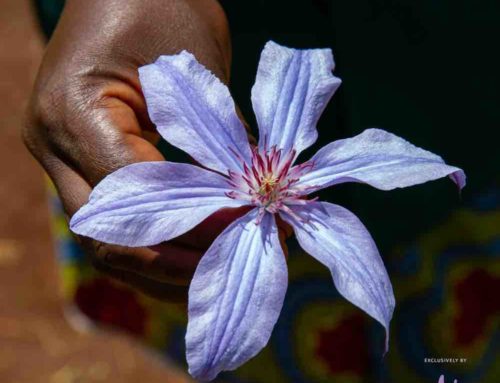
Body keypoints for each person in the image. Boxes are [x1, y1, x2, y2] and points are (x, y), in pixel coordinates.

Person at [25, 1, 499, 382]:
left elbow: (383, 157)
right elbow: (169, 83)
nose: (270, 183)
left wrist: (442, 169)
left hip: (457, 95)